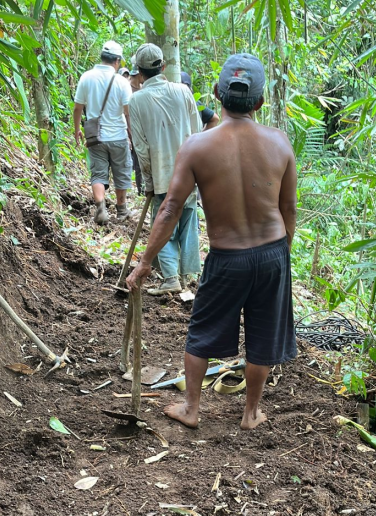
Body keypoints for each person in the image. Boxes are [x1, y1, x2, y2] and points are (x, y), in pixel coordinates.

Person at [127, 53, 297, 430]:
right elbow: (289, 210)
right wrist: (281, 256)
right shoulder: (280, 143)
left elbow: (170, 209)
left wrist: (145, 262)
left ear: (217, 94)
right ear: (260, 102)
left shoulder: (197, 146)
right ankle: (251, 413)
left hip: (227, 257)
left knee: (201, 332)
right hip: (272, 253)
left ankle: (191, 408)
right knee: (263, 333)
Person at [129, 43, 202, 295]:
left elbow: (140, 146)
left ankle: (172, 278)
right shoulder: (183, 91)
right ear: (163, 67)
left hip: (161, 174)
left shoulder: (137, 100)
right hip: (190, 173)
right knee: (188, 222)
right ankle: (187, 276)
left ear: (139, 71)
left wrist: (148, 179)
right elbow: (197, 134)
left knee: (165, 226)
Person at [73, 40, 133, 223]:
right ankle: (121, 210)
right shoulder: (122, 82)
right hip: (118, 136)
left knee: (98, 173)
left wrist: (77, 130)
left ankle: (101, 208)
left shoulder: (86, 77)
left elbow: (77, 108)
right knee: (121, 172)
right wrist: (132, 134)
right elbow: (128, 113)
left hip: (95, 137)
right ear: (117, 61)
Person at [128, 65, 144, 195]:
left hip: (144, 129)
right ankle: (141, 191)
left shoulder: (143, 88)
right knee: (138, 162)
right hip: (132, 128)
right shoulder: (127, 89)